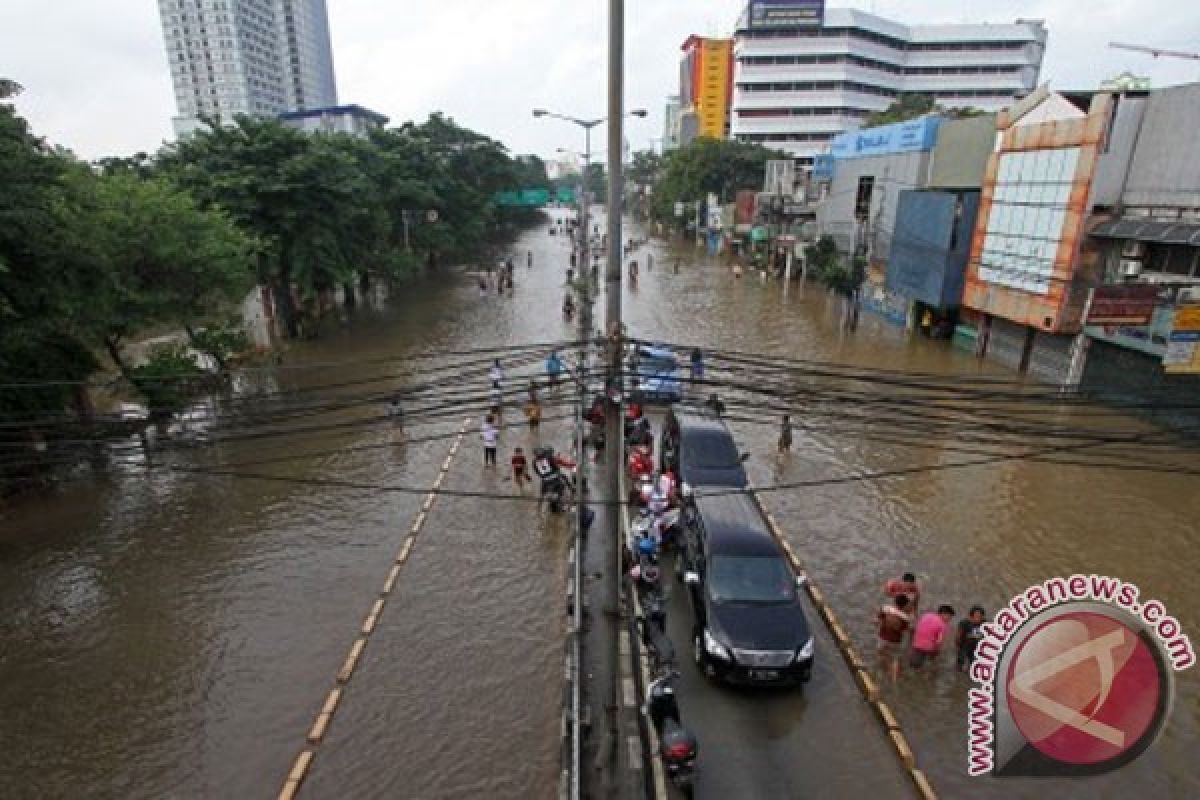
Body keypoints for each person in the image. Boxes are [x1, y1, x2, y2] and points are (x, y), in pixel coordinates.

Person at [877, 593, 913, 681]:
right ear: (904, 605)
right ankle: (894, 678)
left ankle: (883, 670)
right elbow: (904, 630)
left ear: (894, 601)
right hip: (895, 641)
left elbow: (879, 619)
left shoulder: (885, 608)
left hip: (882, 637)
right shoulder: (905, 618)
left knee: (881, 654)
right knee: (895, 658)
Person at [910, 605, 956, 670]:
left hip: (916, 643)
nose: (950, 619)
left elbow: (916, 626)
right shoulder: (943, 625)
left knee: (914, 664)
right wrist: (936, 651)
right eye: (949, 617)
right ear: (944, 614)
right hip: (927, 647)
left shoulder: (927, 615)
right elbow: (939, 641)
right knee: (925, 664)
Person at [956, 606, 986, 672]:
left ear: (982, 617)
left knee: (974, 662)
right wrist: (958, 644)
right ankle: (959, 668)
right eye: (975, 616)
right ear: (970, 617)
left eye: (979, 617)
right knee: (961, 659)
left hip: (977, 646)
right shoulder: (964, 623)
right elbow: (958, 636)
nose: (977, 619)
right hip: (965, 645)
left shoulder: (985, 624)